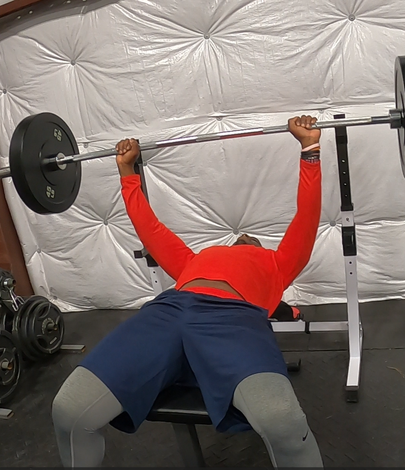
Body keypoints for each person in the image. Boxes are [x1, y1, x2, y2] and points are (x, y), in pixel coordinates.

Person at [52, 115, 323, 468]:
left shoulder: (276, 263)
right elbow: (151, 230)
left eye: (248, 241)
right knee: (69, 411)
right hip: (168, 309)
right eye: (240, 240)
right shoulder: (195, 260)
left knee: (282, 421)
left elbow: (306, 218)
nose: (242, 240)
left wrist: (310, 149)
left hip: (233, 319)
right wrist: (126, 173)